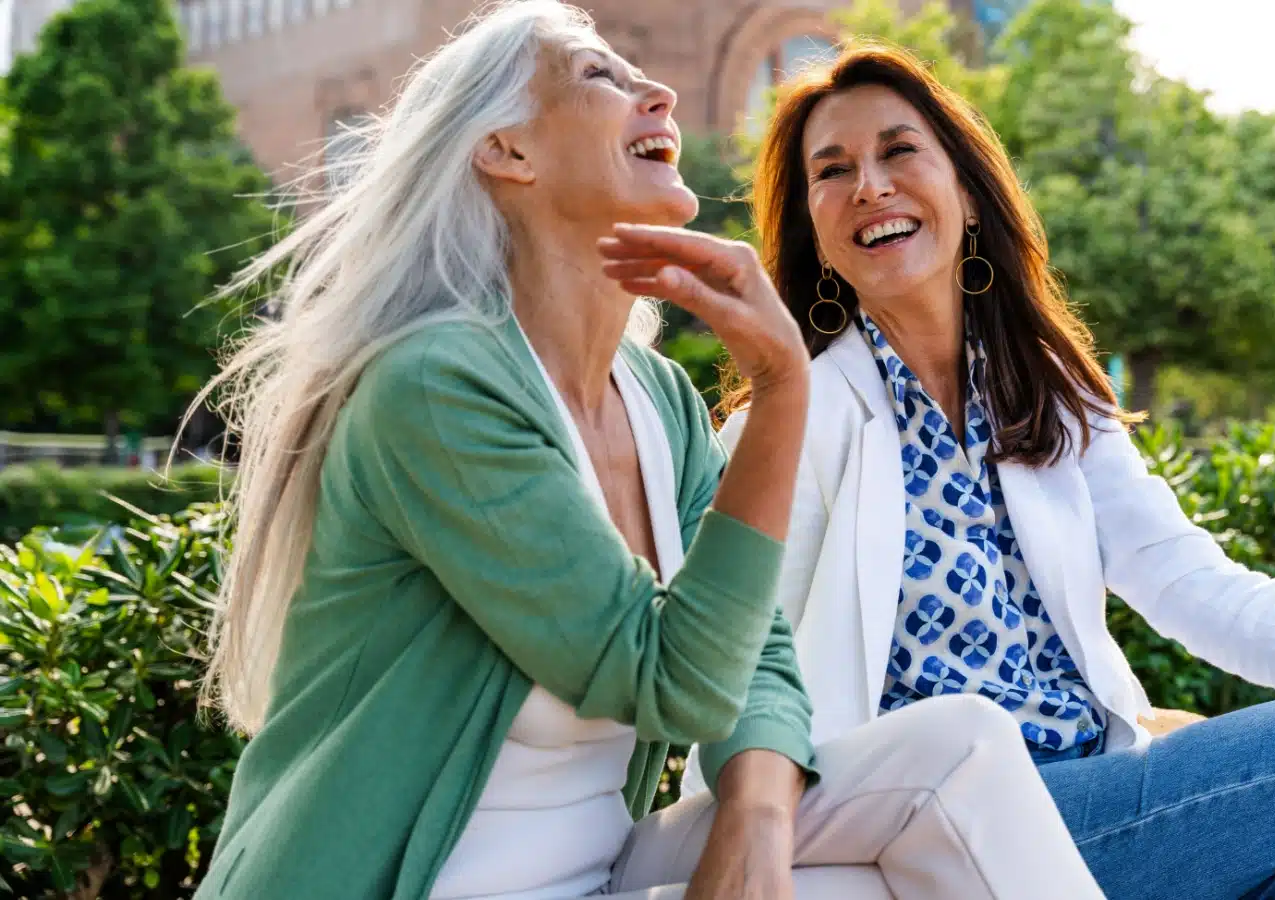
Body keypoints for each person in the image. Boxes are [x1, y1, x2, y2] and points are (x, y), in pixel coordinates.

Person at [186, 4, 1102, 899]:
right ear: (508, 152)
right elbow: (677, 679)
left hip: (609, 871)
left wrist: (756, 821)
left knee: (961, 750)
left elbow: (758, 648)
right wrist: (784, 386)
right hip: (432, 881)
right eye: (599, 75)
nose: (656, 92)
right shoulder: (437, 386)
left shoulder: (655, 398)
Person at [697, 41, 1275, 900]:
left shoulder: (1046, 394)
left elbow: (1196, 584)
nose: (870, 185)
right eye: (832, 169)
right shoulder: (789, 420)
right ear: (814, 223)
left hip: (1105, 797)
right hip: (943, 821)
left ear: (965, 187)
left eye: (898, 150)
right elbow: (728, 663)